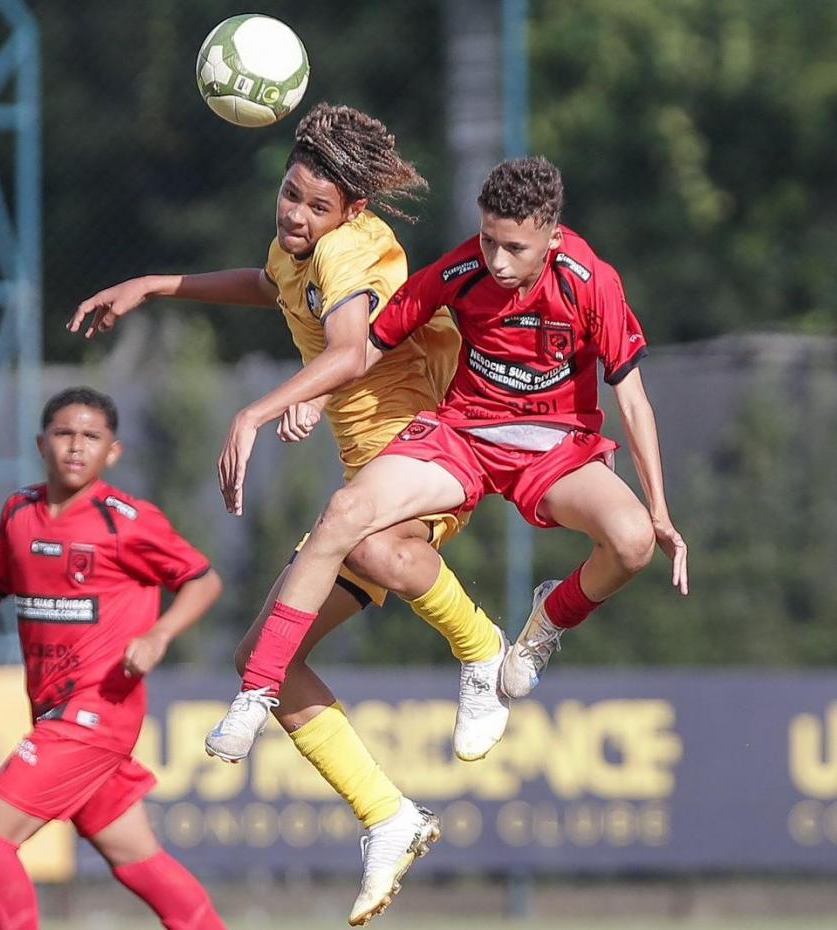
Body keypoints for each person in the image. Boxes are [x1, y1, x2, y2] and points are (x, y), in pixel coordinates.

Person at [68, 103, 509, 926]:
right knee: (262, 658)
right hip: (373, 473)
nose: (296, 214)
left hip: (434, 446)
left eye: (316, 205)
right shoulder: (302, 247)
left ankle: (481, 645)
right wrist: (159, 284)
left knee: (374, 544)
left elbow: (349, 348)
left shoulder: (357, 247)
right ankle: (388, 815)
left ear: (354, 211)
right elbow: (273, 288)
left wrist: (257, 411)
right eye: (290, 194)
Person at [209, 154, 690, 757]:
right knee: (344, 516)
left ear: (552, 237)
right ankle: (256, 694)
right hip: (462, 437)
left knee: (633, 542)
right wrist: (310, 397)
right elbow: (369, 346)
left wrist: (661, 510)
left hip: (556, 449)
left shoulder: (591, 283)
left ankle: (544, 624)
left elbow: (635, 404)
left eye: (515, 247)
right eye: (489, 240)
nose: (496, 260)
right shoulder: (462, 270)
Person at [0, 387, 227, 930]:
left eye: (91, 437)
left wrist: (160, 634)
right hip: (53, 711)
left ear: (112, 452)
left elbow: (204, 580)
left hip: (96, 713)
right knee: (138, 862)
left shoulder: (126, 521)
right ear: (41, 443)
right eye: (65, 433)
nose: (76, 447)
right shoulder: (19, 512)